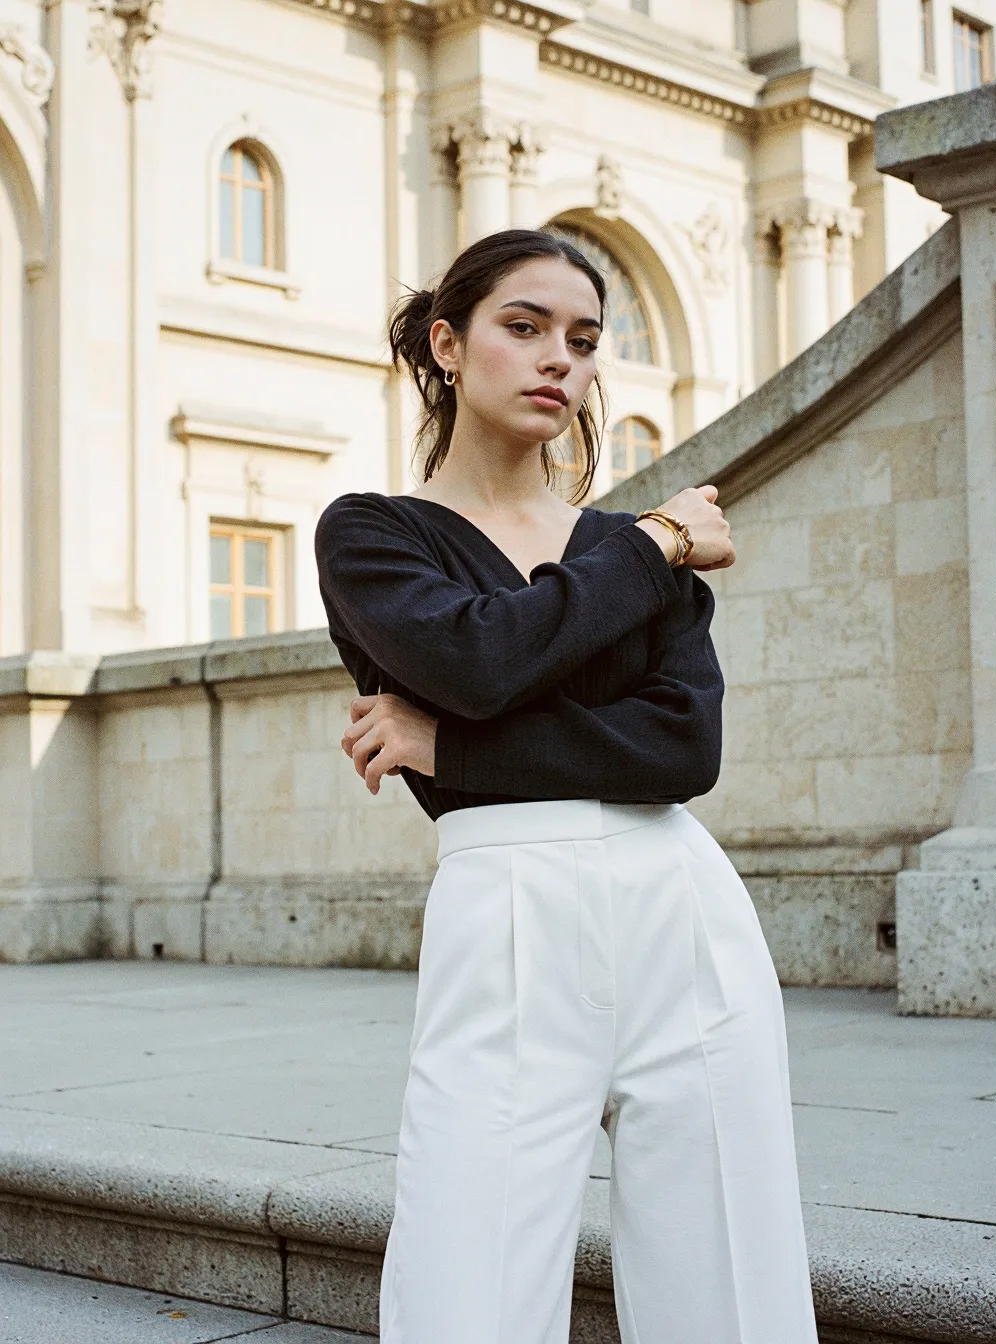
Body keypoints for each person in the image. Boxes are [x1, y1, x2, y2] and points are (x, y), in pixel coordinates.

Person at [314, 228, 817, 1344]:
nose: (561, 361)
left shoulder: (617, 543)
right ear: (448, 343)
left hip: (681, 912)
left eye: (585, 341)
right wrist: (655, 541)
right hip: (505, 923)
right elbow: (476, 657)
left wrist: (456, 751)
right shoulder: (375, 536)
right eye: (524, 327)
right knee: (466, 1288)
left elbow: (682, 747)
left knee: (730, 1283)